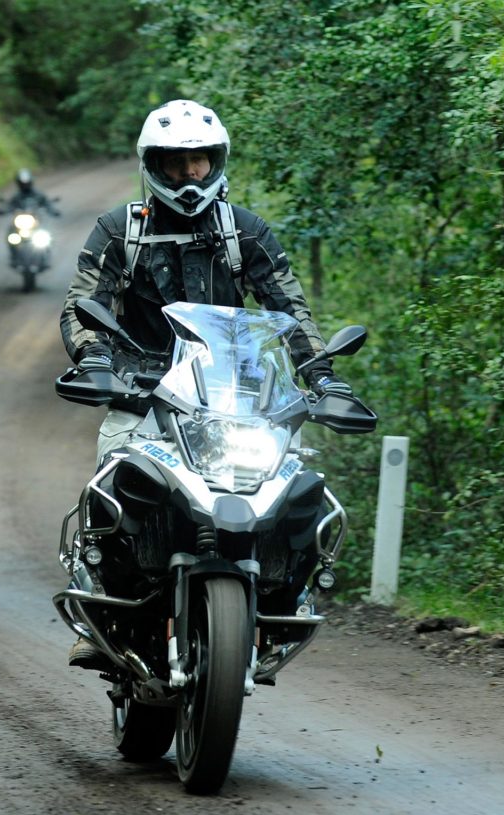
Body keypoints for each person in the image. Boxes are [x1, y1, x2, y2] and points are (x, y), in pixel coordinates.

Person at [58, 99, 352, 668]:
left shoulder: (245, 231)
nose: (189, 175)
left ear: (216, 163)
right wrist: (95, 358)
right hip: (143, 391)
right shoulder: (122, 232)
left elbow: (290, 309)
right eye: (176, 164)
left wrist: (323, 377)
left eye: (199, 162)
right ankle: (102, 598)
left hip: (236, 395)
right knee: (113, 471)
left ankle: (283, 596)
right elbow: (82, 305)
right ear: (153, 165)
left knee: (293, 482)